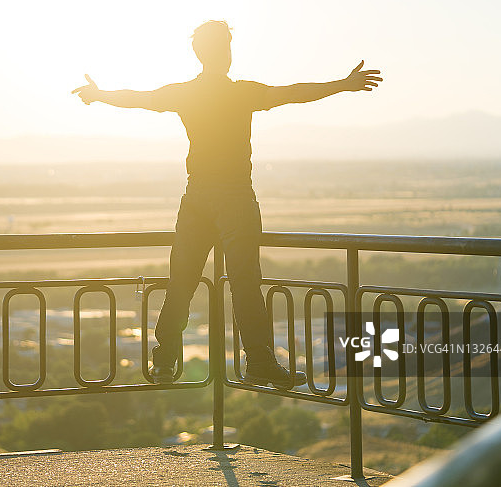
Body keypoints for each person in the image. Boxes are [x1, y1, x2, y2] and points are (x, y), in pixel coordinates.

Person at [72, 20, 382, 387]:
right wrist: (343, 85)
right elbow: (294, 92)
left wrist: (99, 93)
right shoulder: (242, 93)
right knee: (245, 282)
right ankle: (260, 363)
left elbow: (141, 98)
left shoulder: (186, 93)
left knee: (181, 282)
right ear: (226, 53)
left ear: (200, 54)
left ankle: (165, 363)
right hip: (234, 198)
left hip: (196, 198)